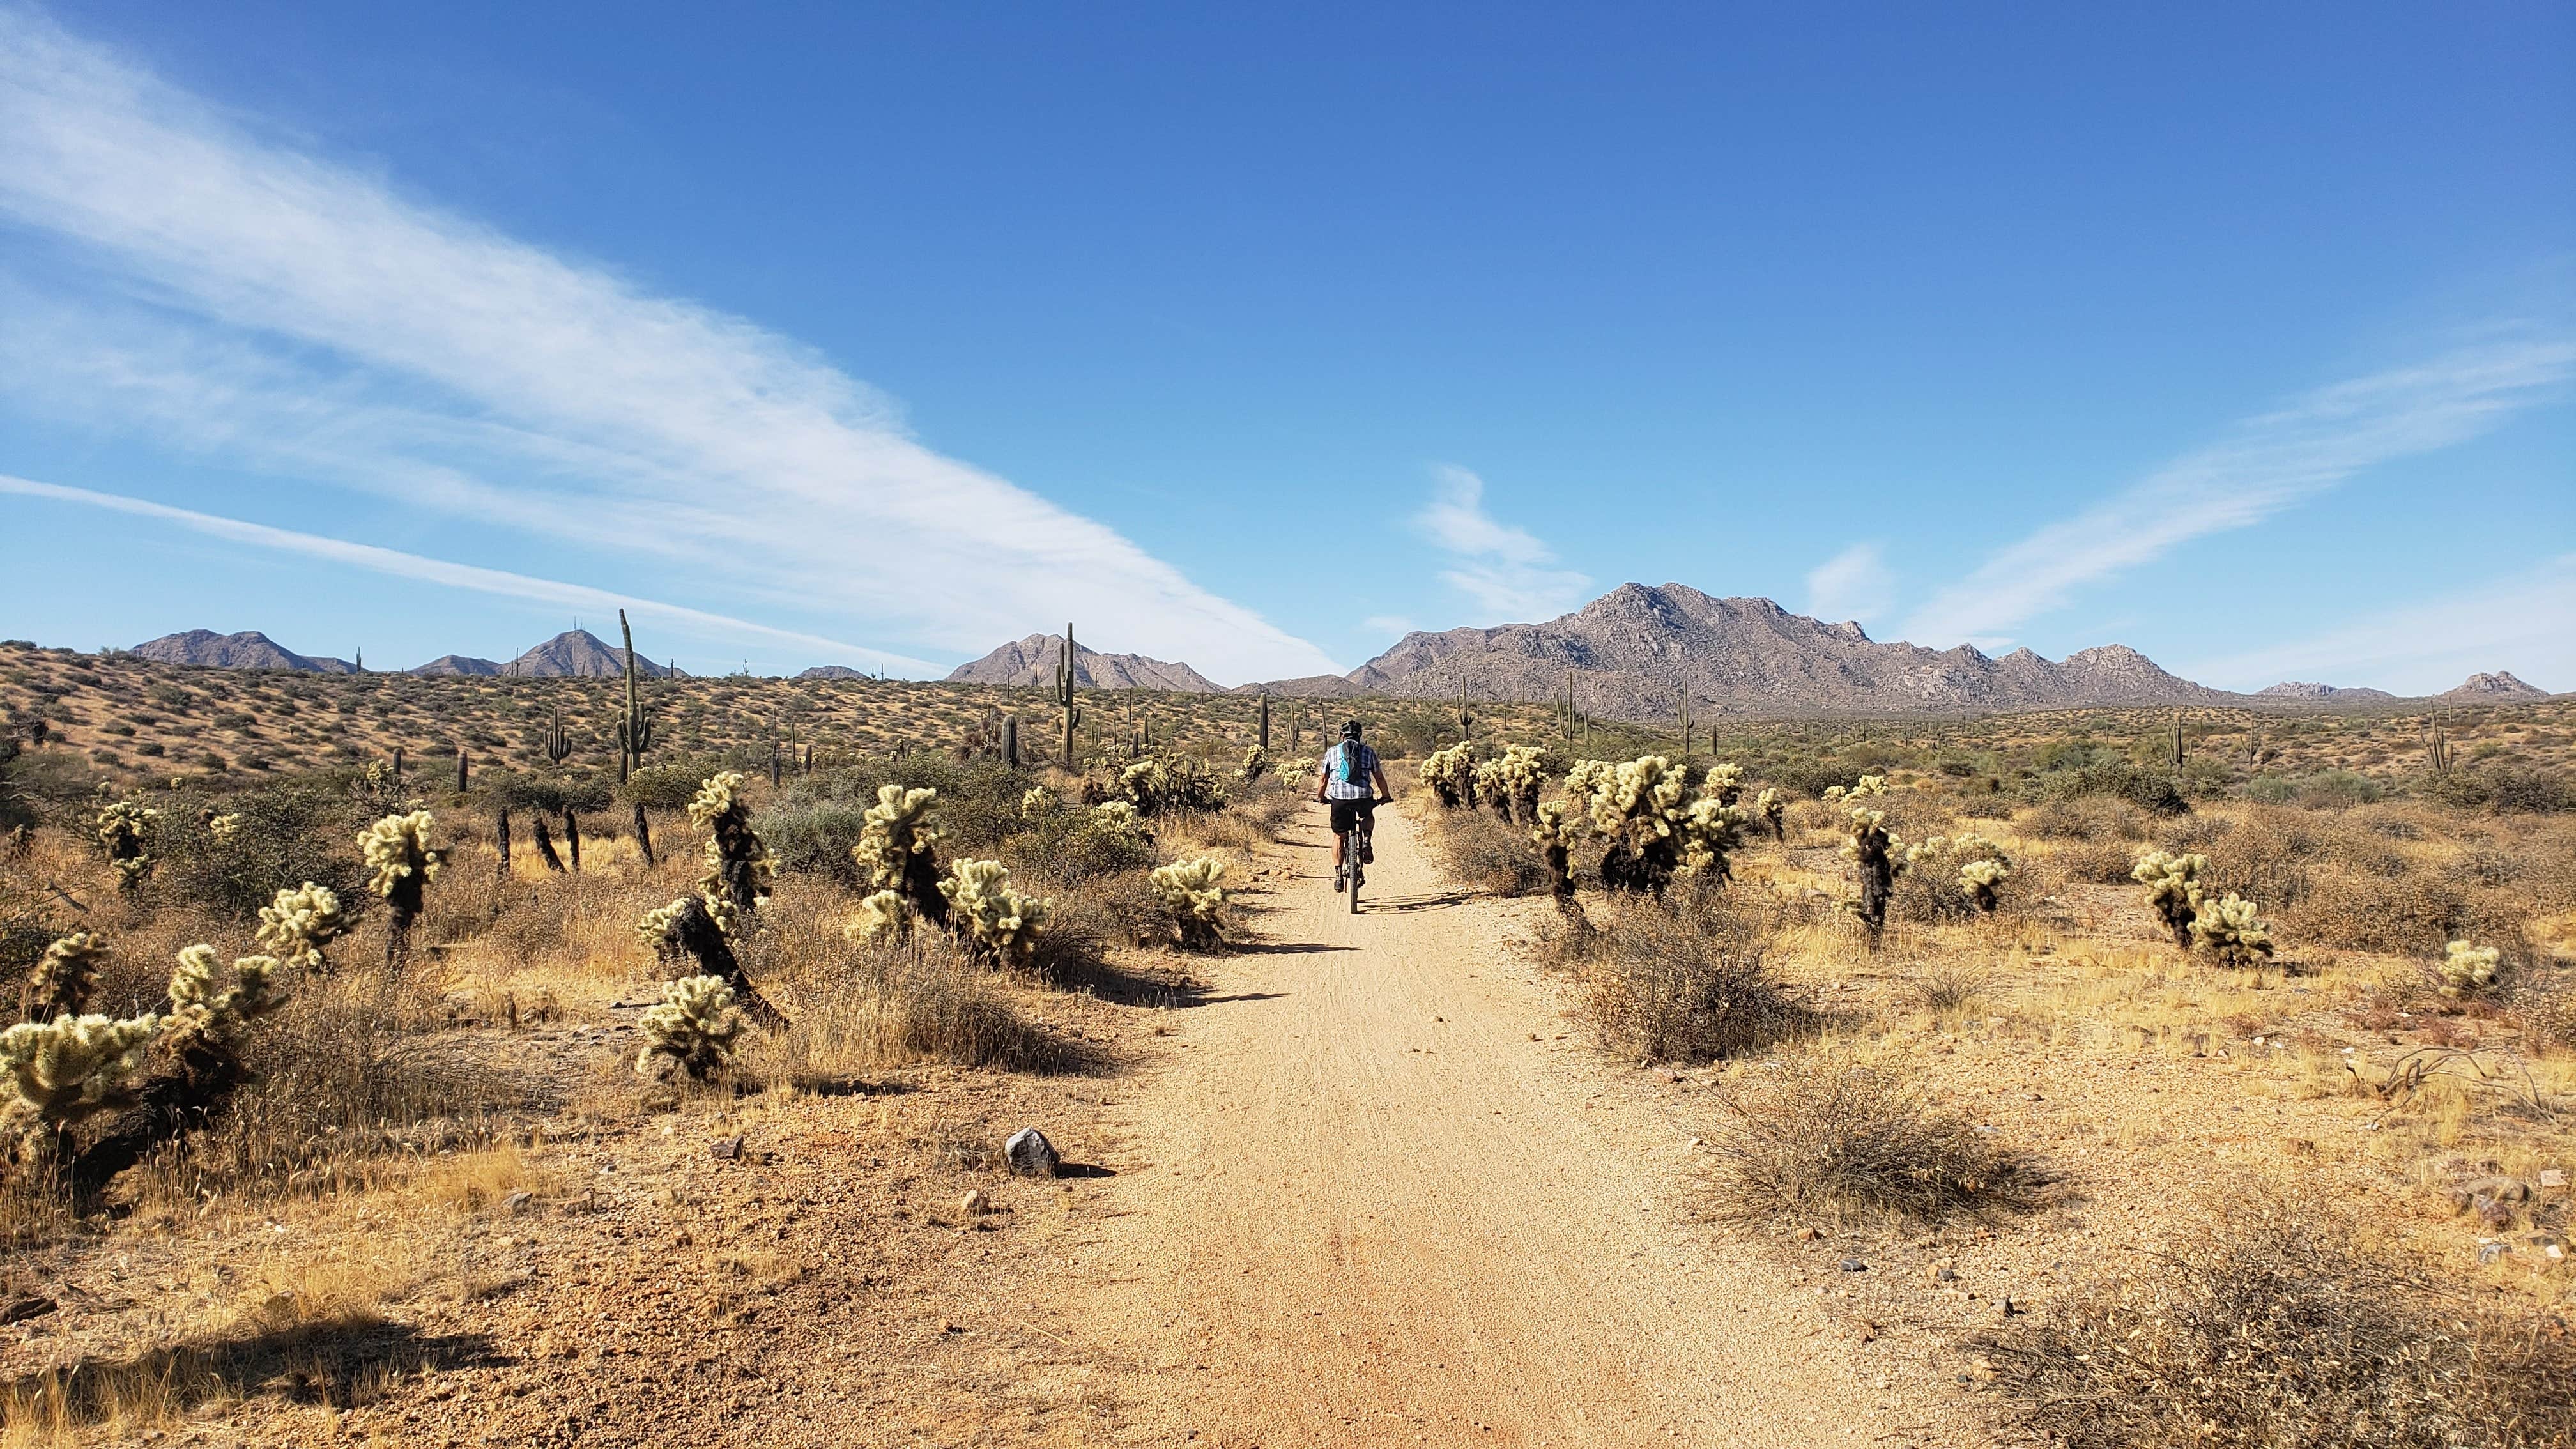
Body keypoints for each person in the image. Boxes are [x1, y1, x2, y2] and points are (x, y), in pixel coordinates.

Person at [1314, 719, 1392, 890]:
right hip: (1363, 797)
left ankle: (1338, 877)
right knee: (1368, 814)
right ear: (1360, 736)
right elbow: (1379, 777)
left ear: (1342, 736)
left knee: (1338, 836)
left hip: (1339, 800)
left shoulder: (1332, 752)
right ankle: (1366, 840)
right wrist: (1386, 796)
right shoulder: (1368, 751)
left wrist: (1321, 797)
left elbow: (1323, 779)